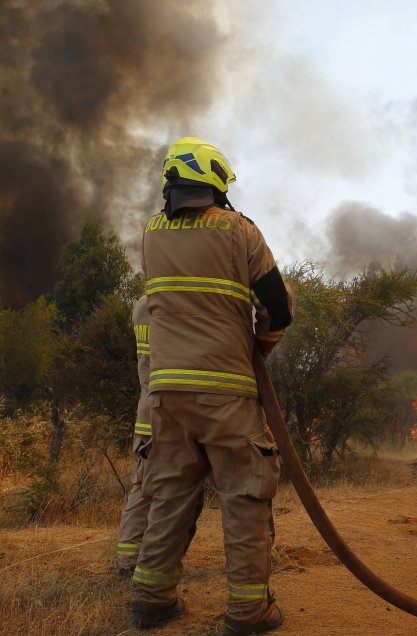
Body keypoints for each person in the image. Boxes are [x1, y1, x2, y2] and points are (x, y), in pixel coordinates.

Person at [132, 137, 293, 634]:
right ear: (215, 180)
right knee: (244, 496)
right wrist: (260, 346)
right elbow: (278, 306)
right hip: (226, 390)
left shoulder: (151, 234)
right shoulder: (239, 231)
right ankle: (248, 611)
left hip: (166, 393)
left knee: (169, 495)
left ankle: (152, 600)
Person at [114, 294, 204, 577]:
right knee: (158, 494)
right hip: (168, 417)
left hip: (148, 417)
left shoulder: (142, 306)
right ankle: (135, 563)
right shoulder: (173, 305)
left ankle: (131, 560)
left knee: (143, 490)